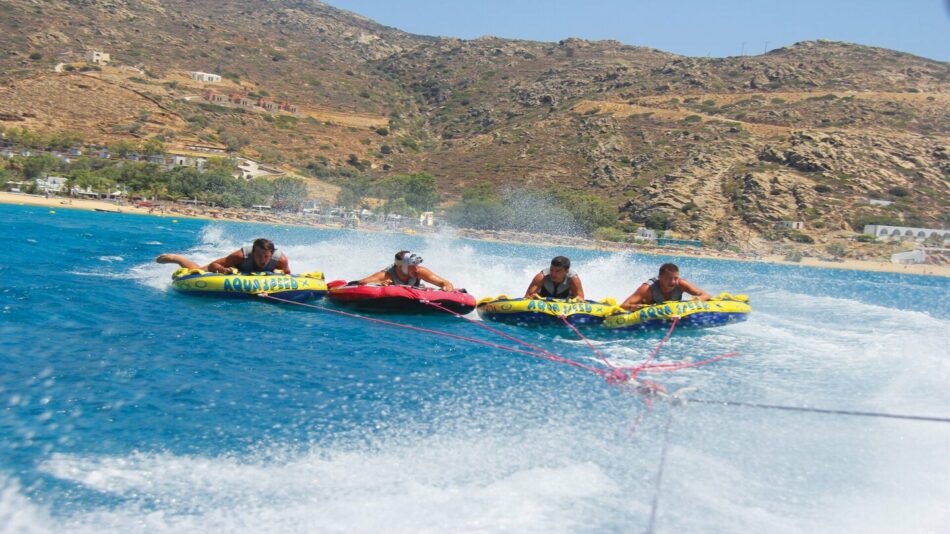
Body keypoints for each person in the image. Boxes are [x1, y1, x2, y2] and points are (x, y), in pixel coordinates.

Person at [156, 238, 290, 274]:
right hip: (237, 268)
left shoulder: (280, 260)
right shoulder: (240, 256)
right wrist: (224, 270)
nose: (263, 260)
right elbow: (214, 265)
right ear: (253, 252)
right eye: (259, 255)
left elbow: (288, 275)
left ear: (271, 254)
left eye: (266, 256)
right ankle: (178, 258)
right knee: (196, 271)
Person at [620, 262, 710, 310]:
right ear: (660, 277)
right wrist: (633, 307)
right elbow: (624, 305)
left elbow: (706, 295)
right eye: (669, 278)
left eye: (675, 278)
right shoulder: (647, 289)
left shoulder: (681, 284)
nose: (673, 282)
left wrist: (697, 300)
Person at [357, 250, 455, 291]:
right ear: (400, 267)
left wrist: (447, 286)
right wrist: (379, 285)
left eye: (416, 265)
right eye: (412, 266)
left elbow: (444, 282)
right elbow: (362, 283)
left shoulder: (420, 272)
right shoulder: (386, 275)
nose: (416, 268)